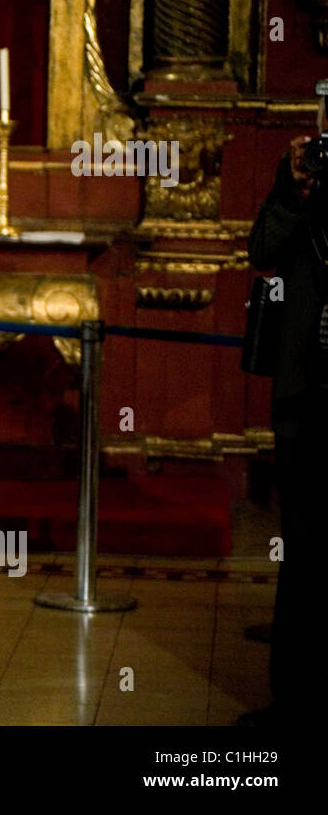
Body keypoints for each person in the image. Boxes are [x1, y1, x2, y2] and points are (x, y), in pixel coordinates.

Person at [246, 98, 328, 727]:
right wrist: (297, 190)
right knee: (300, 546)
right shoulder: (303, 173)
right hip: (304, 395)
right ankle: (293, 696)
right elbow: (262, 251)